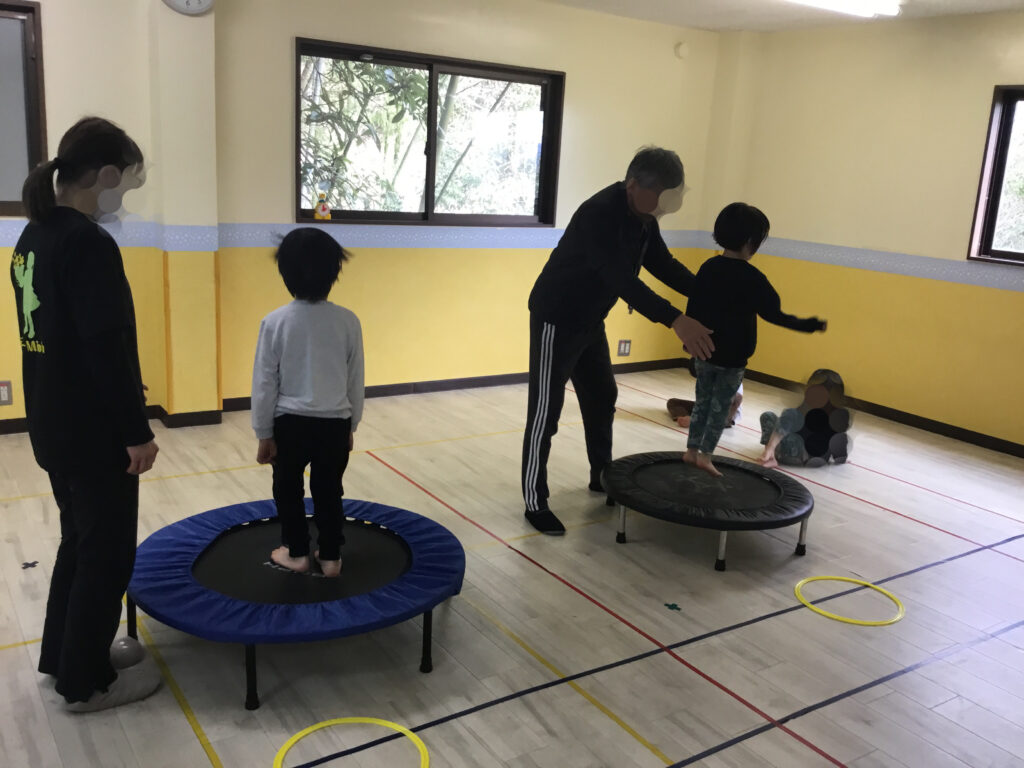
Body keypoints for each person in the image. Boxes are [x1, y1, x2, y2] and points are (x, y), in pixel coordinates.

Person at [14, 117, 161, 711]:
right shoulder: (88, 243)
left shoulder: (35, 234)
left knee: (78, 542)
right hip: (93, 431)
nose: (122, 195)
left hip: (53, 422)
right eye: (124, 182)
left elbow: (65, 338)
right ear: (104, 176)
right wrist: (136, 431)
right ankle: (86, 684)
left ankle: (66, 656)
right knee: (106, 555)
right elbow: (105, 343)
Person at [521, 147, 714, 535]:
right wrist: (676, 320)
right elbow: (622, 281)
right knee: (545, 411)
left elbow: (663, 264)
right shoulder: (598, 214)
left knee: (602, 395)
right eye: (660, 195)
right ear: (634, 185)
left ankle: (601, 476)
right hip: (557, 318)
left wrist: (709, 293)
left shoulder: (643, 218)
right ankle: (534, 501)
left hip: (591, 320)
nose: (664, 206)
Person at [251, 228, 364, 578]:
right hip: (335, 423)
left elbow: (264, 383)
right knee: (329, 490)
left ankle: (297, 552)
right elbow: (355, 379)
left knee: (287, 489)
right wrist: (351, 425)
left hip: (290, 423)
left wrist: (264, 433)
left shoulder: (275, 322)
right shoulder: (347, 321)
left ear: (285, 274)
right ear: (334, 273)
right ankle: (330, 557)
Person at [684, 203, 826, 477]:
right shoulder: (753, 278)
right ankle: (704, 456)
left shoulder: (709, 267)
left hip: (704, 352)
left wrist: (689, 345)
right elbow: (775, 315)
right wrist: (807, 325)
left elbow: (694, 308)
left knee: (702, 402)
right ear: (751, 241)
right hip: (733, 357)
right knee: (719, 408)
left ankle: (691, 450)